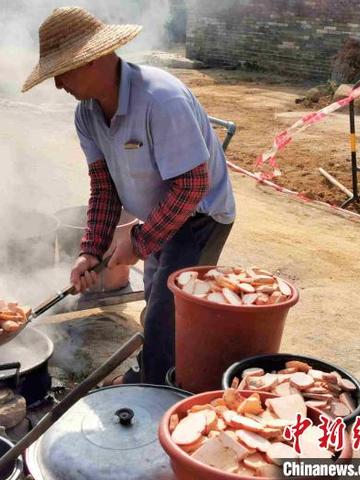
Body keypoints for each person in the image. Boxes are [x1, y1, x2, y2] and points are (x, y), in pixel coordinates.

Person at [22, 7, 236, 385]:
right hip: (160, 214)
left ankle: (162, 393)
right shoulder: (86, 115)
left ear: (95, 59)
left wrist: (139, 241)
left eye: (62, 71)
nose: (57, 85)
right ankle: (157, 374)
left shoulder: (160, 99)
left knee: (168, 312)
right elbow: (104, 189)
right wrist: (90, 250)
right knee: (156, 298)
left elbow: (191, 186)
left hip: (200, 216)